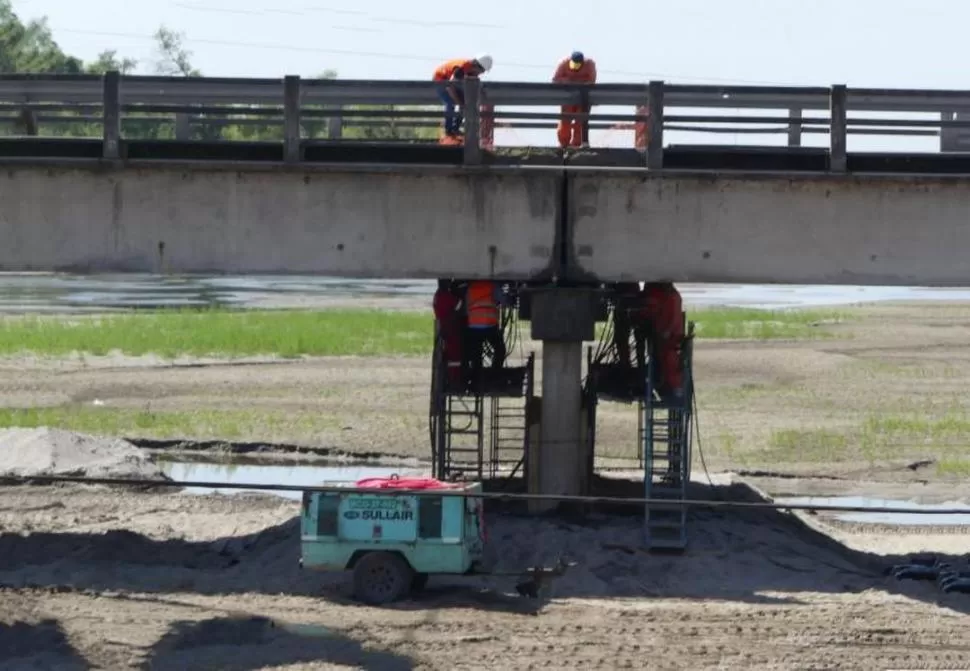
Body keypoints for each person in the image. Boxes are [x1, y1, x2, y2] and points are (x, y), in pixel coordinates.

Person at [432, 54, 494, 143]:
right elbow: (450, 87)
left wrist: (482, 91)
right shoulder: (461, 68)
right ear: (477, 66)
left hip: (451, 82)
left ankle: (456, 128)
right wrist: (459, 103)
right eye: (482, 71)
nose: (481, 74)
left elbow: (475, 82)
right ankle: (449, 130)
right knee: (450, 103)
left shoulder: (471, 70)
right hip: (440, 80)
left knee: (466, 102)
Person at [640, 282, 685, 400]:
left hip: (668, 337)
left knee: (665, 360)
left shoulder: (672, 297)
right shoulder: (671, 297)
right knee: (660, 359)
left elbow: (673, 319)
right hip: (665, 336)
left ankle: (659, 385)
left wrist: (666, 331)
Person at [463, 279, 507, 380]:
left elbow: (466, 310)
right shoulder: (492, 286)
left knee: (476, 354)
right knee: (500, 349)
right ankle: (495, 374)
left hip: (473, 327)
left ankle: (476, 379)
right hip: (490, 326)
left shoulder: (471, 288)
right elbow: (504, 302)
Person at [552, 51, 597, 148]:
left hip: (583, 98)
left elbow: (591, 81)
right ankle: (564, 144)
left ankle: (576, 144)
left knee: (580, 121)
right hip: (568, 98)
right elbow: (555, 79)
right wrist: (568, 82)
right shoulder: (563, 64)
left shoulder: (590, 64)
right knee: (565, 121)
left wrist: (577, 83)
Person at [433, 279, 464, 388]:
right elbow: (460, 305)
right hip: (452, 329)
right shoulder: (446, 296)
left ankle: (450, 379)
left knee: (449, 354)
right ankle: (455, 380)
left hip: (444, 328)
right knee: (455, 355)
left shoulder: (437, 295)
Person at [612, 282, 646, 369]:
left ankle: (626, 365)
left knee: (623, 339)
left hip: (624, 300)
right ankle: (636, 366)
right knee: (638, 339)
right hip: (631, 299)